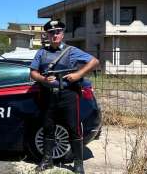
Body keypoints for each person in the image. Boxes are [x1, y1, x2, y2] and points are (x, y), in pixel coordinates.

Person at [30, 20, 99, 174]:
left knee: (74, 129)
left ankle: (78, 164)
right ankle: (47, 161)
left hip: (69, 95)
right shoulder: (41, 52)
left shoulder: (71, 51)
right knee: (48, 127)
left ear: (62, 34)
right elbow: (33, 72)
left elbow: (94, 61)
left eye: (58, 32)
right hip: (48, 95)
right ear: (47, 35)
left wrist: (78, 74)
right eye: (51, 33)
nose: (55, 35)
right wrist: (42, 79)